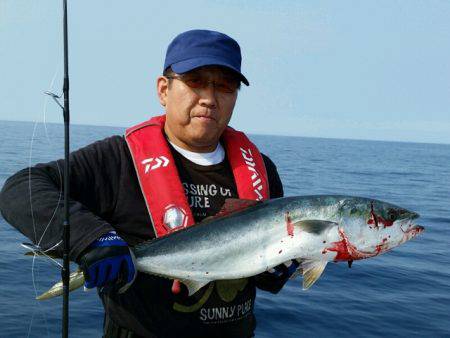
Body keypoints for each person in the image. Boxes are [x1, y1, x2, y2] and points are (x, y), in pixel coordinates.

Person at [0, 29, 298, 338]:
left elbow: (261, 274)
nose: (210, 99)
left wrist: (280, 266)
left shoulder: (260, 169)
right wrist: (90, 239)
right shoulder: (117, 159)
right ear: (164, 90)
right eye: (195, 81)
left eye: (225, 86)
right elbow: (21, 188)